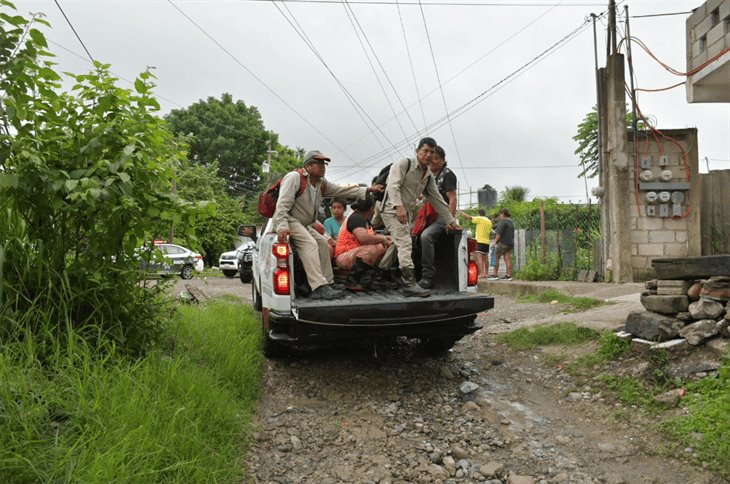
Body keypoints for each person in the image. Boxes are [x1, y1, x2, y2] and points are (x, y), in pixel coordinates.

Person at [272, 150, 383, 300]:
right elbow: (282, 205)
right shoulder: (295, 178)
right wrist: (282, 227)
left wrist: (367, 189)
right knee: (310, 244)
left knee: (323, 245)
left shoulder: (320, 183)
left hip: (304, 224)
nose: (323, 167)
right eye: (319, 163)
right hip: (291, 220)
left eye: (324, 164)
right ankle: (317, 287)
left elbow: (342, 189)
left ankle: (327, 282)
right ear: (308, 166)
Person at [379, 137, 460, 297]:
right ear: (417, 152)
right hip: (391, 209)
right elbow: (392, 185)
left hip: (407, 213)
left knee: (400, 243)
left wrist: (451, 221)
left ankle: (379, 273)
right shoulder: (404, 164)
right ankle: (409, 284)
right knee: (405, 243)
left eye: (432, 152)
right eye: (425, 151)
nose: (428, 155)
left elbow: (437, 199)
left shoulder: (428, 175)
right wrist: (398, 206)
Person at [335, 196, 397, 291]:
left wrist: (386, 238)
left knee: (390, 243)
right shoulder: (356, 217)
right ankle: (352, 280)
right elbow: (363, 238)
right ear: (371, 208)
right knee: (372, 249)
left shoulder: (364, 220)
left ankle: (379, 275)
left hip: (355, 253)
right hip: (344, 256)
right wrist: (382, 239)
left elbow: (373, 237)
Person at [418, 145, 457, 289]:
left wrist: (450, 221)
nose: (432, 161)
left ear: (443, 160)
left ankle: (428, 277)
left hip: (442, 215)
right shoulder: (427, 175)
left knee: (425, 236)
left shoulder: (447, 174)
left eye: (436, 158)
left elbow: (452, 199)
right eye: (431, 158)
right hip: (426, 215)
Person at [459, 209, 492, 279]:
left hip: (480, 240)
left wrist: (462, 213)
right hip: (487, 241)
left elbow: (470, 217)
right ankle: (486, 273)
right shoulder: (489, 221)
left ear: (479, 214)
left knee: (479, 257)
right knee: (486, 257)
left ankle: (482, 273)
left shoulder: (480, 218)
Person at [489, 208, 514, 281]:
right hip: (510, 243)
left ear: (502, 214)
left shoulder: (503, 222)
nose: (500, 216)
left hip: (503, 243)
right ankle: (509, 275)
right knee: (507, 259)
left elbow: (499, 234)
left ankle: (495, 275)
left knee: (496, 257)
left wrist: (495, 243)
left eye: (500, 214)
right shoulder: (510, 222)